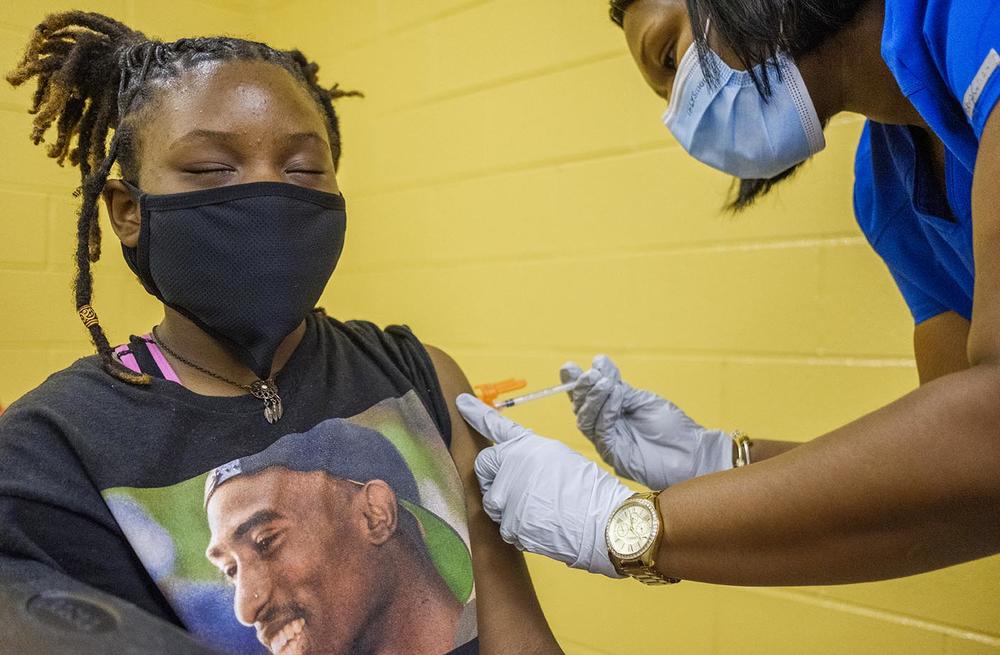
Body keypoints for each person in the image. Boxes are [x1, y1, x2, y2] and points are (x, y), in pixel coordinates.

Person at [0, 11, 560, 654]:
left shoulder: (420, 374)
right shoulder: (50, 449)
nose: (268, 192)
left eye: (302, 170)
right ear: (129, 212)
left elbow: (517, 630)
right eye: (212, 169)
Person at [455, 0, 1000, 589]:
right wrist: (718, 461)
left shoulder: (975, 19)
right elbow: (954, 491)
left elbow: (988, 435)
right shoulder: (888, 188)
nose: (678, 112)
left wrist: (622, 524)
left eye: (669, 56)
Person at [203, 419, 476, 655]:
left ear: (374, 515)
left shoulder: (504, 633)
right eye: (231, 570)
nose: (246, 610)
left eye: (265, 541)